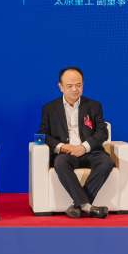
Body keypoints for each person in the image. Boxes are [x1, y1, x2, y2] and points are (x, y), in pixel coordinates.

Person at [39, 66, 115, 218]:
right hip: (66, 153)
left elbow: (102, 132)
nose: (74, 89)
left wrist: (84, 147)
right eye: (69, 86)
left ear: (83, 84)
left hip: (90, 151)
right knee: (60, 162)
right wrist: (61, 147)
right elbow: (42, 134)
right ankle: (87, 206)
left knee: (106, 162)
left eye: (78, 85)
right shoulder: (49, 108)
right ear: (60, 87)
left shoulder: (94, 106)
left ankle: (78, 205)